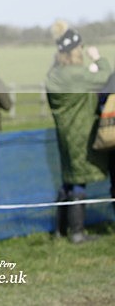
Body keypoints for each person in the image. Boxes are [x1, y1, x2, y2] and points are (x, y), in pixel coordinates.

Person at [45, 20, 111, 244]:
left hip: (64, 134)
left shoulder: (55, 74)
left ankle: (59, 230)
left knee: (67, 178)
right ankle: (77, 232)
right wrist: (98, 58)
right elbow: (106, 76)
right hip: (82, 134)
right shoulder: (76, 74)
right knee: (79, 181)